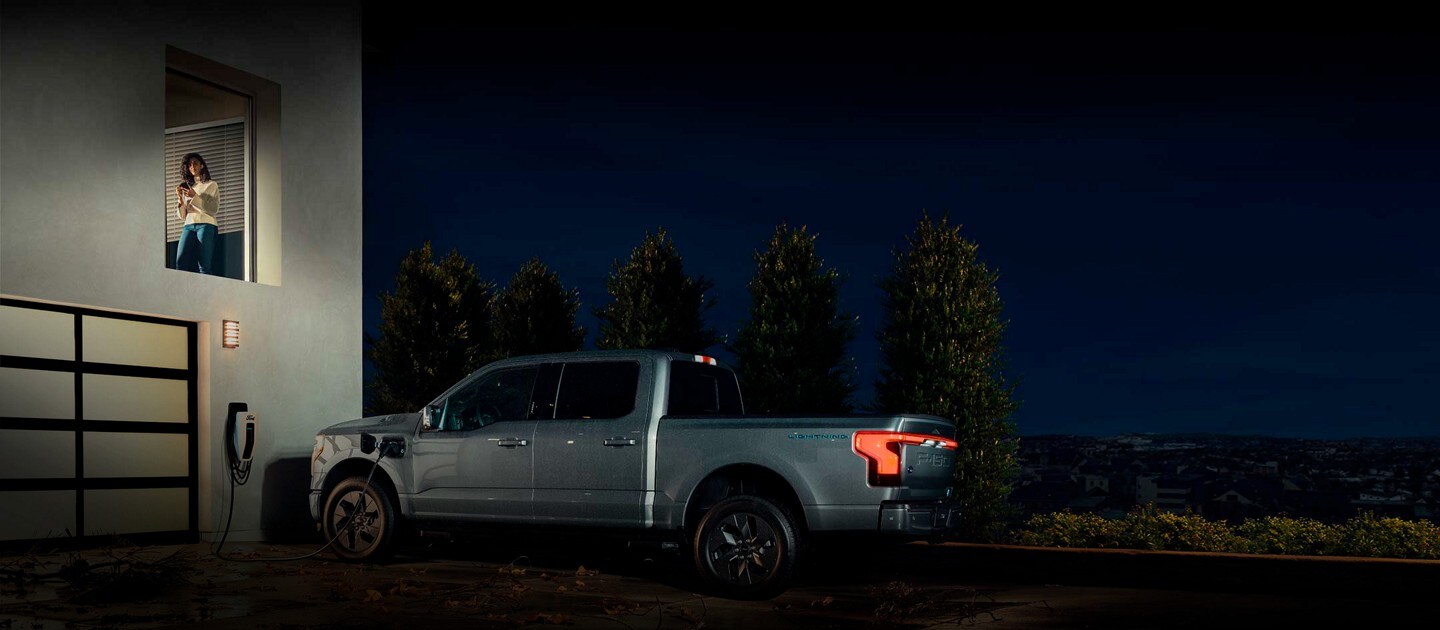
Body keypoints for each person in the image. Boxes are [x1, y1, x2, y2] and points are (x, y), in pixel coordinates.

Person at [174, 153, 219, 274]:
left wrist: (194, 196)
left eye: (195, 163)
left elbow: (213, 209)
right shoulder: (188, 187)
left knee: (204, 265)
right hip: (188, 225)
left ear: (202, 166)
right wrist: (180, 199)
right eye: (189, 165)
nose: (192, 166)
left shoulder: (211, 185)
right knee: (180, 263)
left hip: (206, 224)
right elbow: (183, 216)